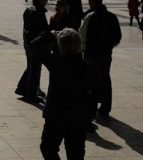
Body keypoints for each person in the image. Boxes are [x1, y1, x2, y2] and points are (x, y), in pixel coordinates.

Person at [36, 29, 99, 159]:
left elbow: (35, 45)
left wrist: (50, 33)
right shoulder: (89, 67)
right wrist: (88, 112)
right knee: (75, 155)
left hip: (55, 117)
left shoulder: (56, 63)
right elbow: (100, 94)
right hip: (77, 118)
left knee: (48, 148)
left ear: (61, 46)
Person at [80, 0, 121, 119]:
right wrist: (109, 46)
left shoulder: (90, 16)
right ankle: (105, 107)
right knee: (105, 79)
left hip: (91, 54)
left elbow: (82, 34)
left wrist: (83, 48)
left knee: (90, 80)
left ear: (92, 1)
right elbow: (118, 36)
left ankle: (90, 108)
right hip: (106, 54)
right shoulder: (112, 17)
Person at [15, 0, 51, 103]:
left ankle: (22, 88)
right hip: (36, 43)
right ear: (40, 0)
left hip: (28, 42)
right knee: (35, 68)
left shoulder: (29, 9)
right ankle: (30, 94)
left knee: (31, 66)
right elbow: (43, 30)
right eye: (45, 0)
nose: (46, 2)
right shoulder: (38, 12)